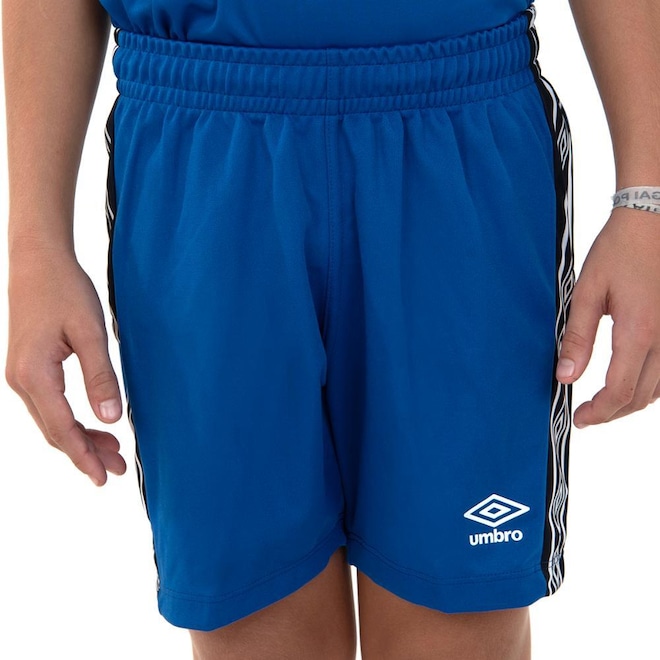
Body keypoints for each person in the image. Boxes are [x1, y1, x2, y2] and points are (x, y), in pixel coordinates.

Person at [3, 0, 659, 658]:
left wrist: (648, 199)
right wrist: (35, 244)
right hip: (201, 150)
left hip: (456, 135)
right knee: (251, 624)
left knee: (458, 617)